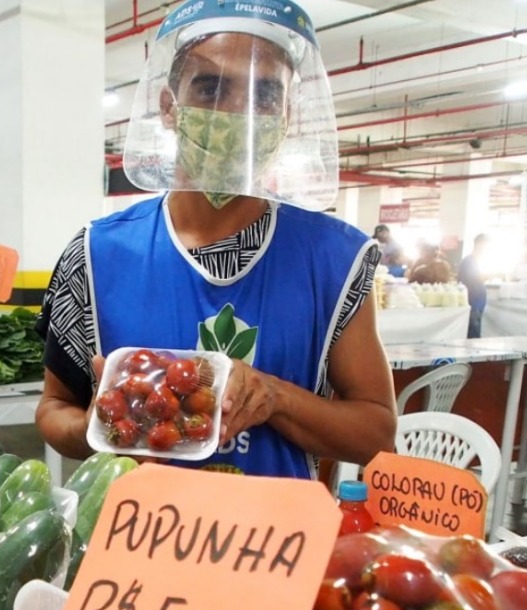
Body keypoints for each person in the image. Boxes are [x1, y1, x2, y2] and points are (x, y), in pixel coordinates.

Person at [36, 0, 396, 478]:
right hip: (137, 540)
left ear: (285, 116)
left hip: (277, 544)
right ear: (169, 107)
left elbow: (377, 435)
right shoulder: (95, 255)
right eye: (210, 88)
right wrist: (106, 427)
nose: (237, 113)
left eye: (264, 95)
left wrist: (275, 397)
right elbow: (53, 407)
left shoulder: (338, 261)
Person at [457, 234, 489, 339]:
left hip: (478, 302)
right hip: (473, 302)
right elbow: (473, 278)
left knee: (475, 331)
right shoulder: (469, 261)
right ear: (479, 244)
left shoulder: (477, 261)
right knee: (473, 335)